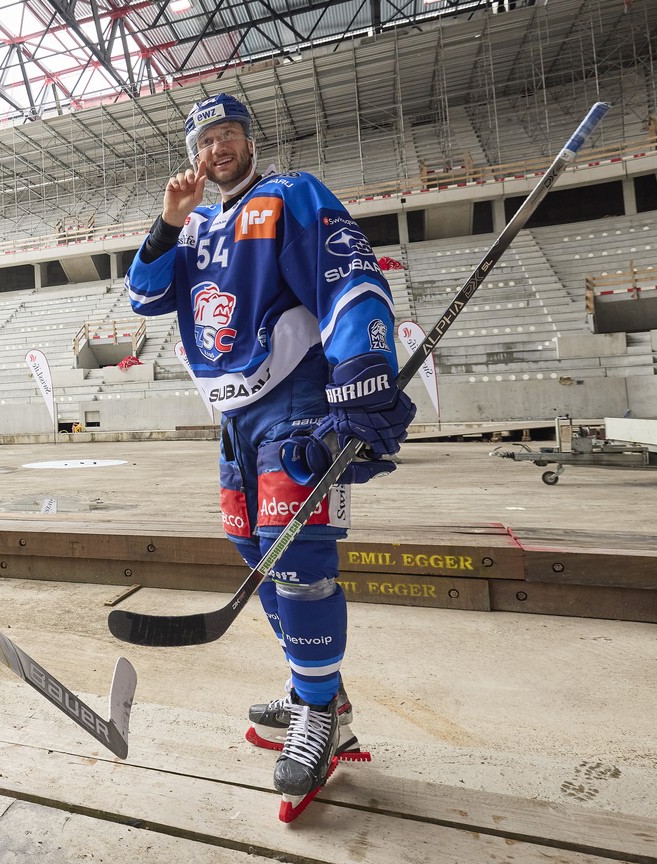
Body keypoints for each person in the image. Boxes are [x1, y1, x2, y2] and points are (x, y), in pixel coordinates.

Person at [125, 94, 415, 816]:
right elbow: (142, 295)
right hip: (231, 416)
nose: (216, 150)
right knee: (251, 550)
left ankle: (320, 712)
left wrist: (360, 370)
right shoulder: (192, 227)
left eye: (226, 136)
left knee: (298, 558)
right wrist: (168, 218)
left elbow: (351, 274)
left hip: (296, 401)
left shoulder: (290, 194)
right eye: (204, 141)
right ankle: (316, 686)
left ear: (249, 140)